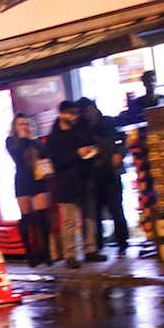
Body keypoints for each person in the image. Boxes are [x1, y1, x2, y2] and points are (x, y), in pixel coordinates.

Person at [45, 101, 96, 268]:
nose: (74, 117)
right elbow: (56, 160)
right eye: (70, 113)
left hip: (83, 178)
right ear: (61, 114)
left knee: (88, 216)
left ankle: (90, 250)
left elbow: (88, 143)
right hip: (65, 182)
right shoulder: (55, 137)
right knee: (68, 220)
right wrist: (76, 153)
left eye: (75, 113)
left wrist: (91, 151)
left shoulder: (79, 129)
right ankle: (70, 254)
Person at [79, 98, 126, 258]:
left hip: (111, 172)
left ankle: (122, 242)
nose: (88, 114)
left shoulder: (108, 122)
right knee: (95, 212)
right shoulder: (83, 129)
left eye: (89, 109)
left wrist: (119, 153)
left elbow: (122, 139)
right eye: (84, 111)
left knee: (116, 209)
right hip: (94, 175)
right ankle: (98, 245)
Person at [5, 114, 52, 266]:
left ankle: (46, 253)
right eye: (20, 124)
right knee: (26, 218)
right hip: (23, 181)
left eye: (26, 123)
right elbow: (17, 156)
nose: (24, 126)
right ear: (15, 127)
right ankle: (30, 254)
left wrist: (32, 140)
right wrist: (24, 139)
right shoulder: (11, 141)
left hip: (39, 180)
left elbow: (44, 156)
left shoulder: (36, 141)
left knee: (42, 217)